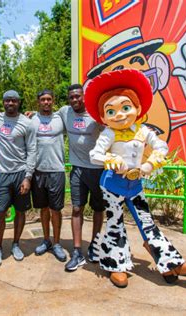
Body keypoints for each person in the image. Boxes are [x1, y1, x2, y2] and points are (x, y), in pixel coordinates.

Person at [86, 69, 186, 288]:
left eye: (125, 108)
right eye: (111, 111)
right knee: (115, 224)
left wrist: (150, 163)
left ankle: (171, 263)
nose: (119, 115)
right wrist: (110, 159)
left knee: (148, 224)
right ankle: (115, 265)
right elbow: (95, 154)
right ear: (103, 116)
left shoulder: (143, 131)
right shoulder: (109, 133)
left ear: (137, 109)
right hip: (112, 184)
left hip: (136, 184)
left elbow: (162, 146)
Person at [57, 84, 106, 271]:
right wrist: (31, 115)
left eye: (78, 96)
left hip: (98, 169)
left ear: (84, 97)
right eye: (71, 97)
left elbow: (111, 132)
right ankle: (77, 252)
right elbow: (46, 116)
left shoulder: (95, 113)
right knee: (76, 208)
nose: (75, 100)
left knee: (98, 208)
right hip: (77, 169)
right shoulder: (65, 112)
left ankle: (95, 244)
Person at [0, 90, 37, 268]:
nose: (10, 103)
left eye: (14, 101)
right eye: (7, 100)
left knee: (20, 211)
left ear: (19, 102)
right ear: (3, 102)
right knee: (0, 212)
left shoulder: (27, 123)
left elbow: (32, 150)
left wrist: (28, 177)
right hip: (2, 174)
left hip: (20, 173)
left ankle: (16, 243)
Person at [30, 90, 67, 262]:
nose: (46, 102)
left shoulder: (61, 118)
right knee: (43, 208)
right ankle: (46, 240)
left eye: (49, 99)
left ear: (53, 101)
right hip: (38, 171)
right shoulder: (31, 119)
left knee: (56, 209)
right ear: (38, 102)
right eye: (43, 99)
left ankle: (57, 243)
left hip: (57, 170)